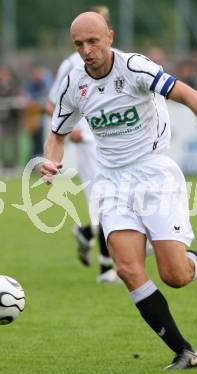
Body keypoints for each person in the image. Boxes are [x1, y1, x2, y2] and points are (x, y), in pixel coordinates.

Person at [41, 12, 197, 370]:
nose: (86, 51)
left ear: (110, 35)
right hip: (112, 182)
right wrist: (51, 161)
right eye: (79, 45)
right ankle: (185, 351)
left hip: (153, 174)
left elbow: (188, 94)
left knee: (175, 275)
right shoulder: (74, 84)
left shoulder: (135, 68)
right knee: (127, 268)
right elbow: (57, 133)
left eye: (93, 41)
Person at [47, 5, 119, 283]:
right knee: (103, 203)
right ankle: (105, 268)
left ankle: (87, 233)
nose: (87, 47)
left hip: (117, 144)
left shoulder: (118, 61)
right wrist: (73, 129)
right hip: (89, 143)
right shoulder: (72, 64)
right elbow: (52, 103)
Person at [0, 65, 22, 169]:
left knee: (14, 140)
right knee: (0, 140)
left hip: (13, 117)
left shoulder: (14, 85)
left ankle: (14, 163)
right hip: (0, 117)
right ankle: (2, 162)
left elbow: (17, 97)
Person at [24, 64, 53, 159]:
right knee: (35, 140)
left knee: (43, 140)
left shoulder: (46, 83)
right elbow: (28, 99)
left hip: (46, 116)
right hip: (34, 116)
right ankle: (34, 160)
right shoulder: (29, 85)